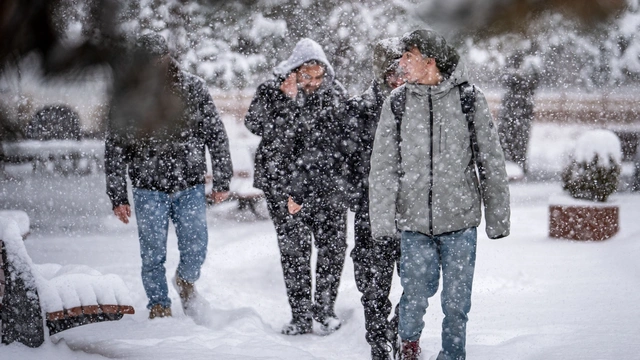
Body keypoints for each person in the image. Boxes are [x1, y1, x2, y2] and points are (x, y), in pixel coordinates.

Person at [369, 29, 510, 360]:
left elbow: (490, 160)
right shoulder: (398, 102)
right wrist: (382, 221)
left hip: (460, 222)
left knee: (456, 303)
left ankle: (453, 354)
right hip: (414, 223)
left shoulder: (469, 99)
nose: (401, 62)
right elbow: (383, 167)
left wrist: (498, 218)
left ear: (429, 61)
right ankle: (408, 346)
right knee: (415, 293)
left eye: (408, 56)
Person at [105, 33, 233, 319]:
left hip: (189, 185)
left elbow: (216, 134)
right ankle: (159, 304)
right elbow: (115, 147)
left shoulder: (192, 88)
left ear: (166, 58)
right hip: (147, 187)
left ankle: (185, 280)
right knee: (152, 253)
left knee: (196, 247)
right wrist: (117, 195)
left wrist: (223, 179)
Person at [244, 38, 349, 336]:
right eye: (307, 77)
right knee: (294, 252)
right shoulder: (271, 91)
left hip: (327, 185)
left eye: (318, 77)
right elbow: (255, 124)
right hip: (284, 185)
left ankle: (325, 310)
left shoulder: (335, 94)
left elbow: (337, 139)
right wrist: (286, 101)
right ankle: (300, 316)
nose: (314, 83)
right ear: (294, 71)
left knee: (333, 247)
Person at [345, 38, 404, 360]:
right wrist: (362, 197)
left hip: (413, 214)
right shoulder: (359, 109)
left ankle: (402, 331)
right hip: (372, 213)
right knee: (371, 284)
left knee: (419, 283)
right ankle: (378, 343)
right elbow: (344, 163)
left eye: (406, 68)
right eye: (394, 70)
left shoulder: (421, 108)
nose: (401, 77)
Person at [497, 50, 540, 175]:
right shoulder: (510, 68)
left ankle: (519, 165)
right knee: (506, 139)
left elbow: (533, 81)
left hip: (523, 112)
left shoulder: (531, 64)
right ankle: (509, 164)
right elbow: (505, 79)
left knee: (521, 140)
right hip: (509, 112)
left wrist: (519, 78)